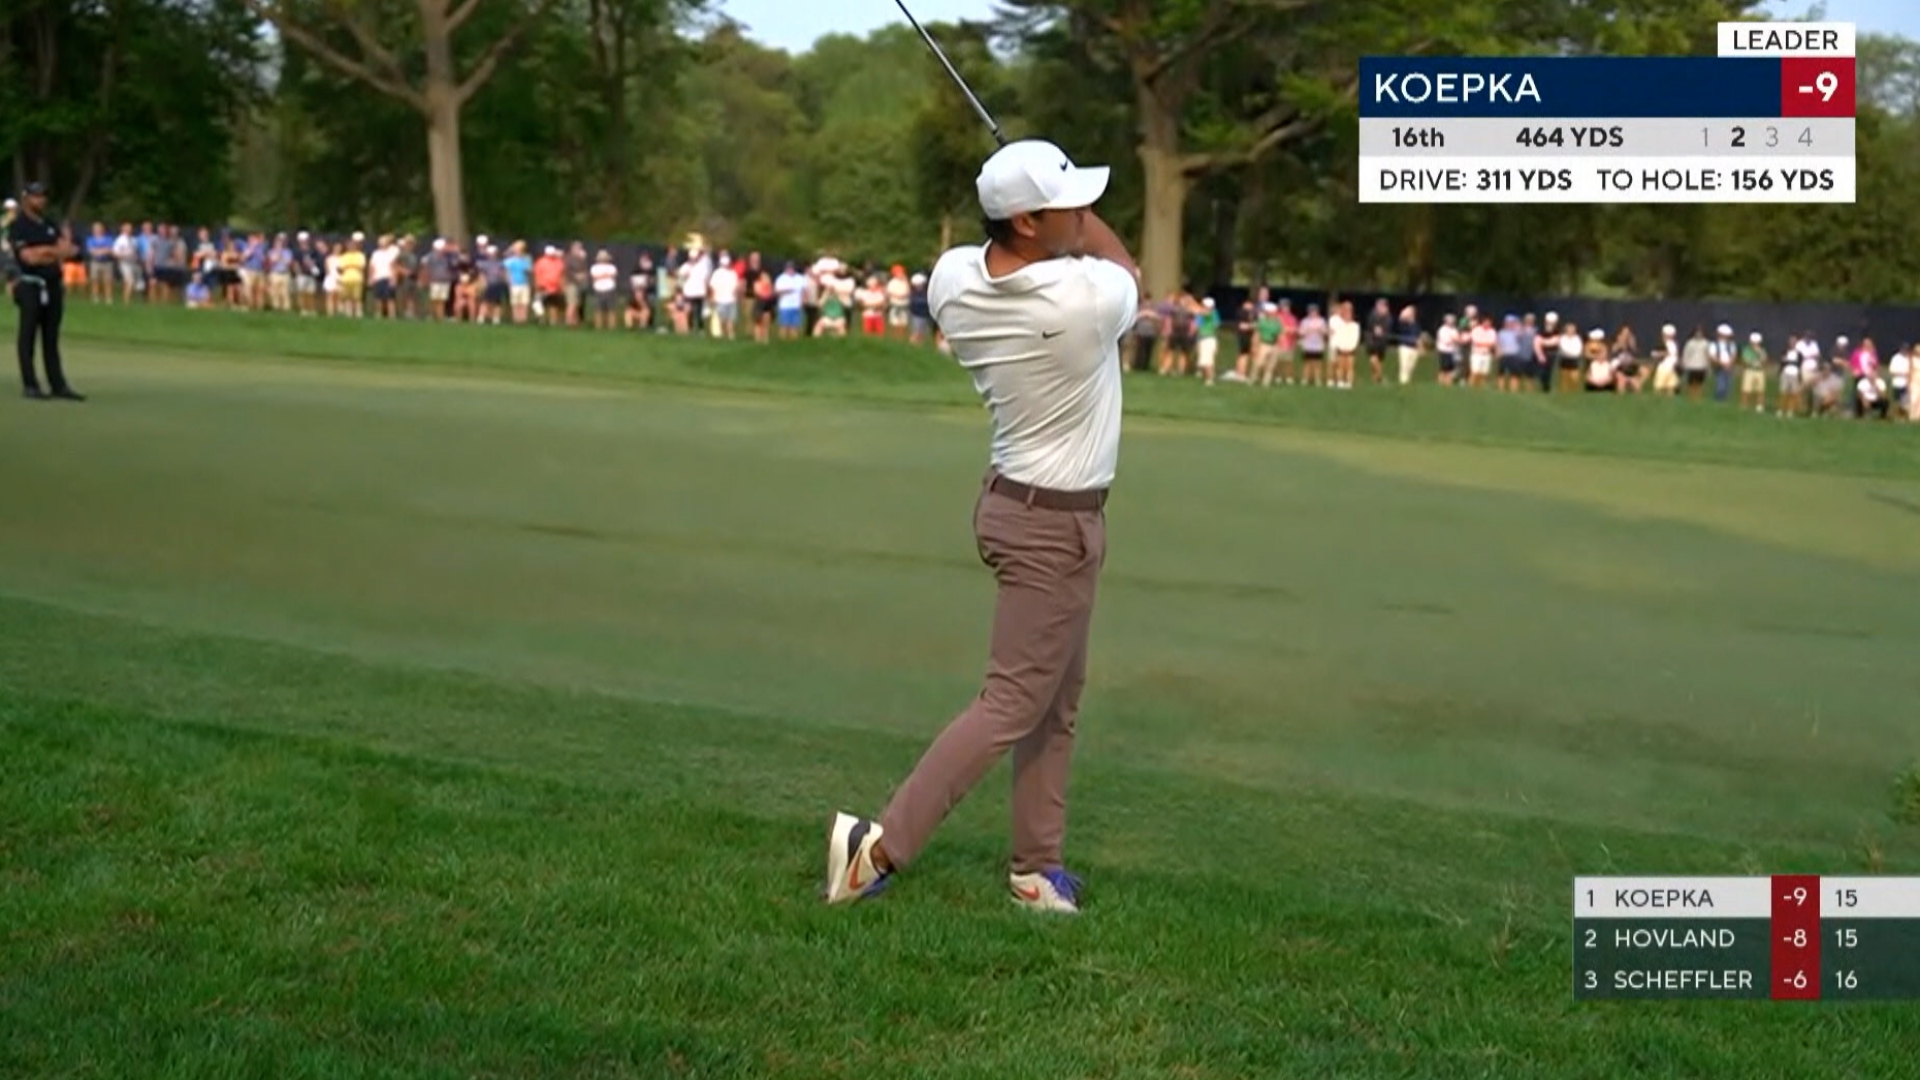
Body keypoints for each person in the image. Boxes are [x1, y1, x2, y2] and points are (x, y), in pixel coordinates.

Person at [823, 138, 1140, 916]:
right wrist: (1084, 219)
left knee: (1054, 701)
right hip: (1052, 526)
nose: (1081, 211)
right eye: (1066, 202)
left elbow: (993, 249)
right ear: (1027, 220)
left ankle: (1036, 867)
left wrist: (1039, 201)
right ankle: (879, 848)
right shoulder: (1083, 300)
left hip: (1015, 507)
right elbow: (1129, 270)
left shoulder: (952, 280)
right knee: (1011, 702)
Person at [7, 182, 83, 401]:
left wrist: (45, 251)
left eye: (42, 196)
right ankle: (30, 384)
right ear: (27, 199)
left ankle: (57, 384)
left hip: (52, 285)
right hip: (30, 284)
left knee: (51, 337)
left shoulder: (50, 224)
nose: (41, 200)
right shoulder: (19, 225)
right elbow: (28, 258)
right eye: (36, 197)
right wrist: (53, 251)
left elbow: (70, 251)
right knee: (28, 334)